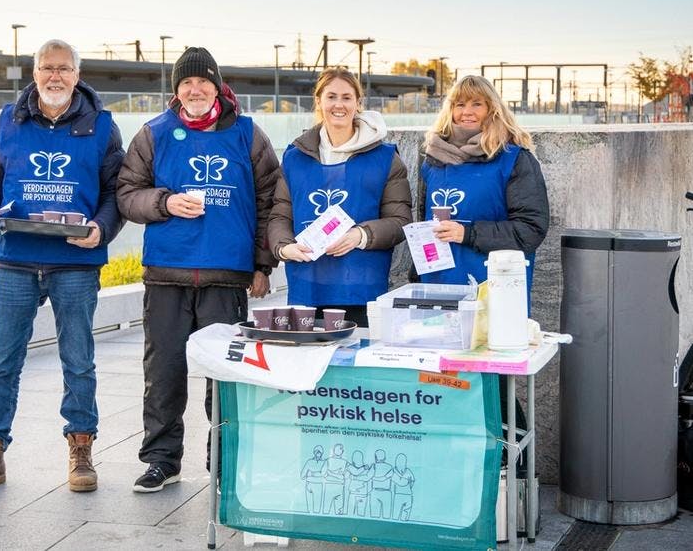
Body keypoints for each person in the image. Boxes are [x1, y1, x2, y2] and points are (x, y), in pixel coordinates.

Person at [0, 39, 125, 494]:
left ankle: (81, 449)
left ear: (77, 74)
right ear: (34, 72)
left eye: (64, 68)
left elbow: (115, 193)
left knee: (79, 362)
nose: (55, 76)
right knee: (1, 361)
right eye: (47, 67)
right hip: (16, 261)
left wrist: (101, 230)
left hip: (75, 263)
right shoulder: (7, 121)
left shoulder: (102, 126)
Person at [116, 47, 279, 493]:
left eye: (202, 82)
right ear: (177, 89)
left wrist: (263, 263)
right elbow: (127, 193)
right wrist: (164, 202)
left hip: (226, 275)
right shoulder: (154, 133)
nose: (194, 90)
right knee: (163, 372)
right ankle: (161, 460)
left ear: (217, 86)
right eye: (186, 83)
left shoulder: (247, 133)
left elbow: (270, 198)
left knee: (223, 375)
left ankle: (224, 461)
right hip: (167, 272)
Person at [268, 67, 412, 326]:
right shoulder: (294, 157)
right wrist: (284, 247)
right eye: (331, 96)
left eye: (347, 97)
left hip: (360, 287)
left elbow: (400, 220)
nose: (339, 104)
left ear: (358, 103)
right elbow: (280, 214)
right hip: (307, 287)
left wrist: (361, 235)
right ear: (319, 101)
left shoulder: (385, 158)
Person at [415, 75, 549, 291]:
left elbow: (530, 229)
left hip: (495, 286)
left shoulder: (514, 158)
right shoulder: (432, 160)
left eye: (477, 104)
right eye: (460, 104)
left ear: (492, 109)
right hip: (438, 285)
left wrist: (467, 234)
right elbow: (424, 226)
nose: (467, 111)